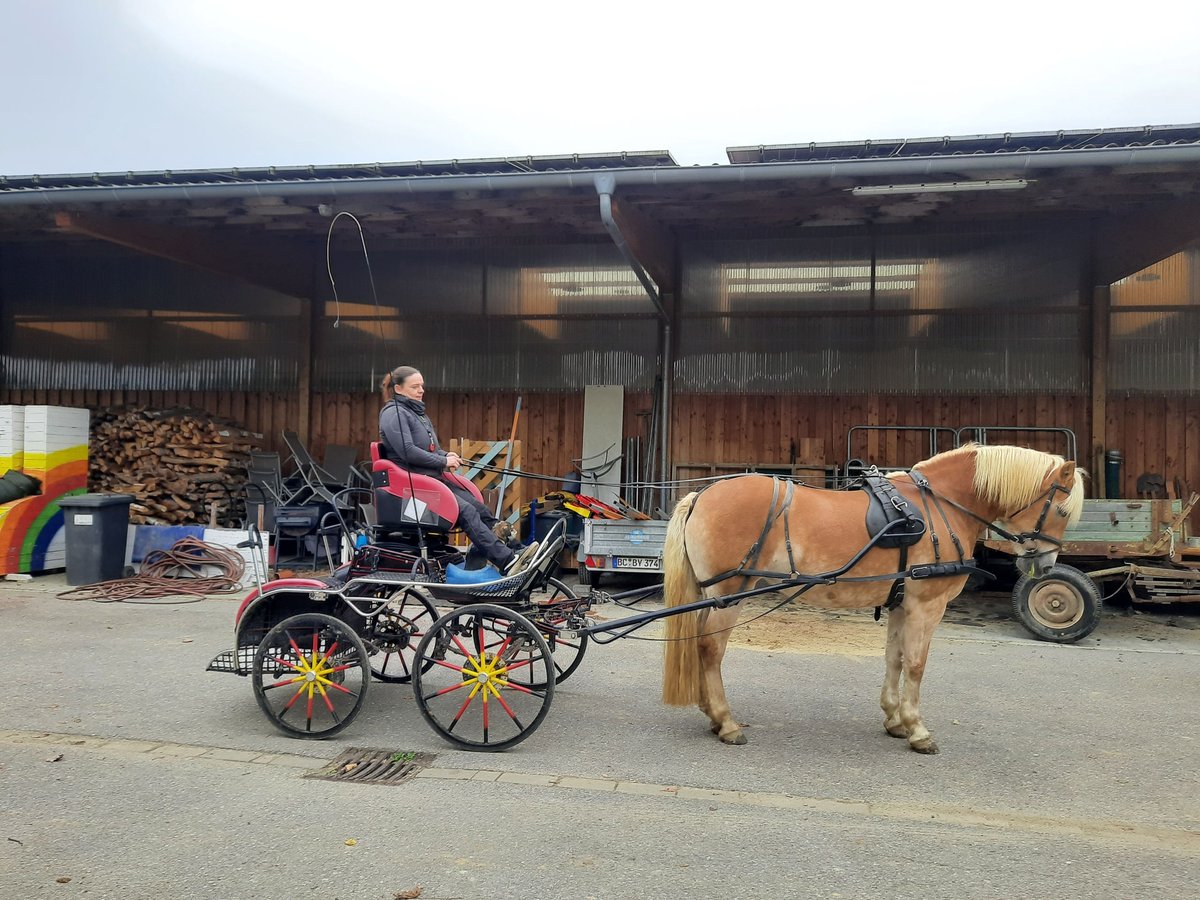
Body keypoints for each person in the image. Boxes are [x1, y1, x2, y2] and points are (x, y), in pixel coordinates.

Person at [379, 366, 537, 574]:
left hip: (431, 480)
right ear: (398, 389)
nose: (421, 390)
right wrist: (442, 462)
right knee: (467, 511)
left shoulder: (417, 414)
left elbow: (429, 449)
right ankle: (506, 561)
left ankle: (517, 550)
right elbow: (408, 452)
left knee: (480, 508)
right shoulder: (394, 414)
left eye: (422, 386)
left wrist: (445, 456)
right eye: (415, 386)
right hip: (413, 486)